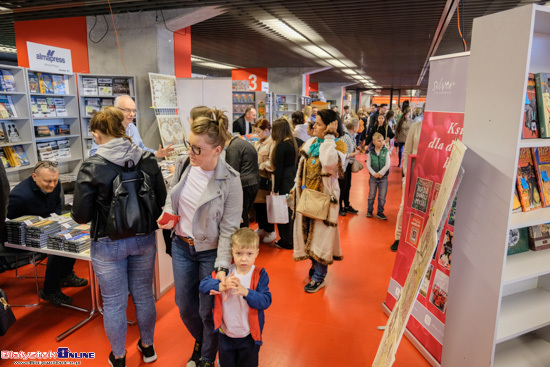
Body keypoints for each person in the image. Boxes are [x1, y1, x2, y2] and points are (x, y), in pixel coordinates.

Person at [71, 107, 167, 367]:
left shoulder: (92, 165)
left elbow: (80, 215)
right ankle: (148, 348)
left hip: (107, 241)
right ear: (123, 129)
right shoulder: (147, 158)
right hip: (144, 237)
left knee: (113, 302)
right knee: (144, 295)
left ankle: (119, 356)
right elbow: (160, 202)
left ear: (98, 134)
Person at [157, 112, 242, 367]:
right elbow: (172, 197)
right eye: (189, 145)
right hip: (182, 246)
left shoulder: (231, 180)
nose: (191, 152)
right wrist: (167, 213)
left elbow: (229, 228)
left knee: (208, 310)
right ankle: (203, 341)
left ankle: (206, 356)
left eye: (197, 148)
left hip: (210, 252)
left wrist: (222, 266)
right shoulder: (184, 165)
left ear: (217, 150)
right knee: (184, 306)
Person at [7, 161, 88, 306]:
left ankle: (65, 275)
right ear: (34, 177)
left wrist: (54, 220)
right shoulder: (19, 196)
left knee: (71, 235)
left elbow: (57, 204)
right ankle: (49, 291)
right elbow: (9, 223)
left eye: (55, 180)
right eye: (47, 181)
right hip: (19, 234)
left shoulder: (54, 185)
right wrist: (40, 229)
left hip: (45, 226)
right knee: (58, 245)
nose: (52, 185)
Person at [199, 228, 271, 367]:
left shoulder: (260, 275)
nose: (244, 258)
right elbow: (203, 286)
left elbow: (265, 301)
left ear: (257, 252)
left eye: (249, 253)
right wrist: (221, 286)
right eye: (239, 253)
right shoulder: (225, 273)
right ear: (232, 251)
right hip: (226, 335)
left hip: (249, 336)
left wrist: (247, 292)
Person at [293, 109, 346, 293]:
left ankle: (319, 276)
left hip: (325, 201)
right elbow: (301, 169)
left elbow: (329, 163)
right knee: (307, 235)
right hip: (307, 199)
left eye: (319, 124)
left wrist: (330, 138)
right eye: (314, 123)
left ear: (330, 126)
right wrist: (294, 190)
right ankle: (315, 266)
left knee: (321, 238)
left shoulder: (338, 146)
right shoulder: (311, 142)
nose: (314, 126)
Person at [89, 95, 175, 158]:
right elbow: (93, 154)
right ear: (116, 110)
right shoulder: (106, 128)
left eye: (134, 111)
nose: (132, 114)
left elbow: (141, 147)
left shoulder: (132, 127)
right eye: (127, 110)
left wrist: (156, 153)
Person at [390, 119, 423, 252]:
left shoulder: (439, 129)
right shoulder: (416, 127)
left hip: (429, 175)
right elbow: (407, 150)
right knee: (404, 206)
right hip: (412, 173)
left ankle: (418, 240)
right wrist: (406, 171)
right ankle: (398, 237)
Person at [270, 118, 298, 249]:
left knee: (283, 211)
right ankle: (291, 238)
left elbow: (279, 169)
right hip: (292, 179)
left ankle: (286, 240)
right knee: (290, 210)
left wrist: (275, 188)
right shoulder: (293, 142)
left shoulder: (281, 146)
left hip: (284, 182)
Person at [225, 124, 259, 228]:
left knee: (241, 215)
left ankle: (242, 240)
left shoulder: (233, 147)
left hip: (244, 184)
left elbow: (232, 169)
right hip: (254, 181)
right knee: (245, 212)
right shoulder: (242, 142)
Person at [253, 119, 276, 244]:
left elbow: (272, 163)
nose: (257, 134)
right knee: (258, 204)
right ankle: (261, 227)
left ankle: (270, 230)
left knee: (266, 205)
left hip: (266, 178)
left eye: (259, 131)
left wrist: (260, 165)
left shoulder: (272, 143)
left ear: (266, 130)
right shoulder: (258, 143)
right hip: (257, 178)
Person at [366, 132, 391, 220]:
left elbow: (387, 164)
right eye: (378, 141)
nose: (381, 143)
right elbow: (368, 165)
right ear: (374, 142)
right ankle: (369, 210)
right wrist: (374, 174)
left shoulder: (386, 151)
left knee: (382, 196)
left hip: (383, 178)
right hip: (373, 178)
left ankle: (380, 212)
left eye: (382, 141)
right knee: (371, 195)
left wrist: (380, 173)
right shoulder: (370, 153)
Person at [339, 118, 360, 216]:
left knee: (347, 186)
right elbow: (342, 154)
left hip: (348, 165)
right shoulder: (345, 137)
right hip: (344, 166)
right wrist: (354, 153)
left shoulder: (351, 136)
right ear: (355, 127)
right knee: (342, 187)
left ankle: (346, 205)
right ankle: (339, 207)